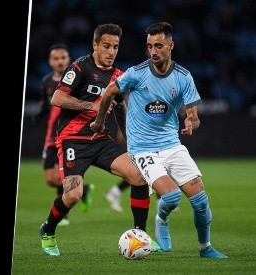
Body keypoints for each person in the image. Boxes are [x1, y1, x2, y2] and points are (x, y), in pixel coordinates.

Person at [91, 22, 227, 258]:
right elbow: (109, 92)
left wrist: (190, 123)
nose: (154, 51)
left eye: (159, 46)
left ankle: (205, 248)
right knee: (172, 196)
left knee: (201, 203)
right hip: (142, 148)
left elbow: (194, 118)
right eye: (150, 46)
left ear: (170, 45)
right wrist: (100, 121)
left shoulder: (184, 77)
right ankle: (161, 220)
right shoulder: (136, 73)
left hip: (172, 145)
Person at [39, 23, 156, 256]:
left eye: (115, 47)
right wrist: (91, 105)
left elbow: (121, 106)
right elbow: (58, 98)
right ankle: (48, 230)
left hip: (101, 140)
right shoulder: (81, 67)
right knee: (73, 195)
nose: (111, 51)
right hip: (73, 139)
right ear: (95, 45)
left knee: (139, 176)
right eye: (106, 46)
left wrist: (129, 138)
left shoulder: (118, 76)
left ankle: (140, 235)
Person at [36, 43, 94, 227]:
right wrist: (39, 114)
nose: (60, 62)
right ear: (50, 61)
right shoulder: (46, 82)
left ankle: (63, 215)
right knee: (50, 179)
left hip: (68, 136)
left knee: (64, 174)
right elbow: (45, 105)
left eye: (63, 58)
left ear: (69, 59)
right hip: (50, 137)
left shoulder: (76, 81)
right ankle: (82, 190)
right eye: (56, 58)